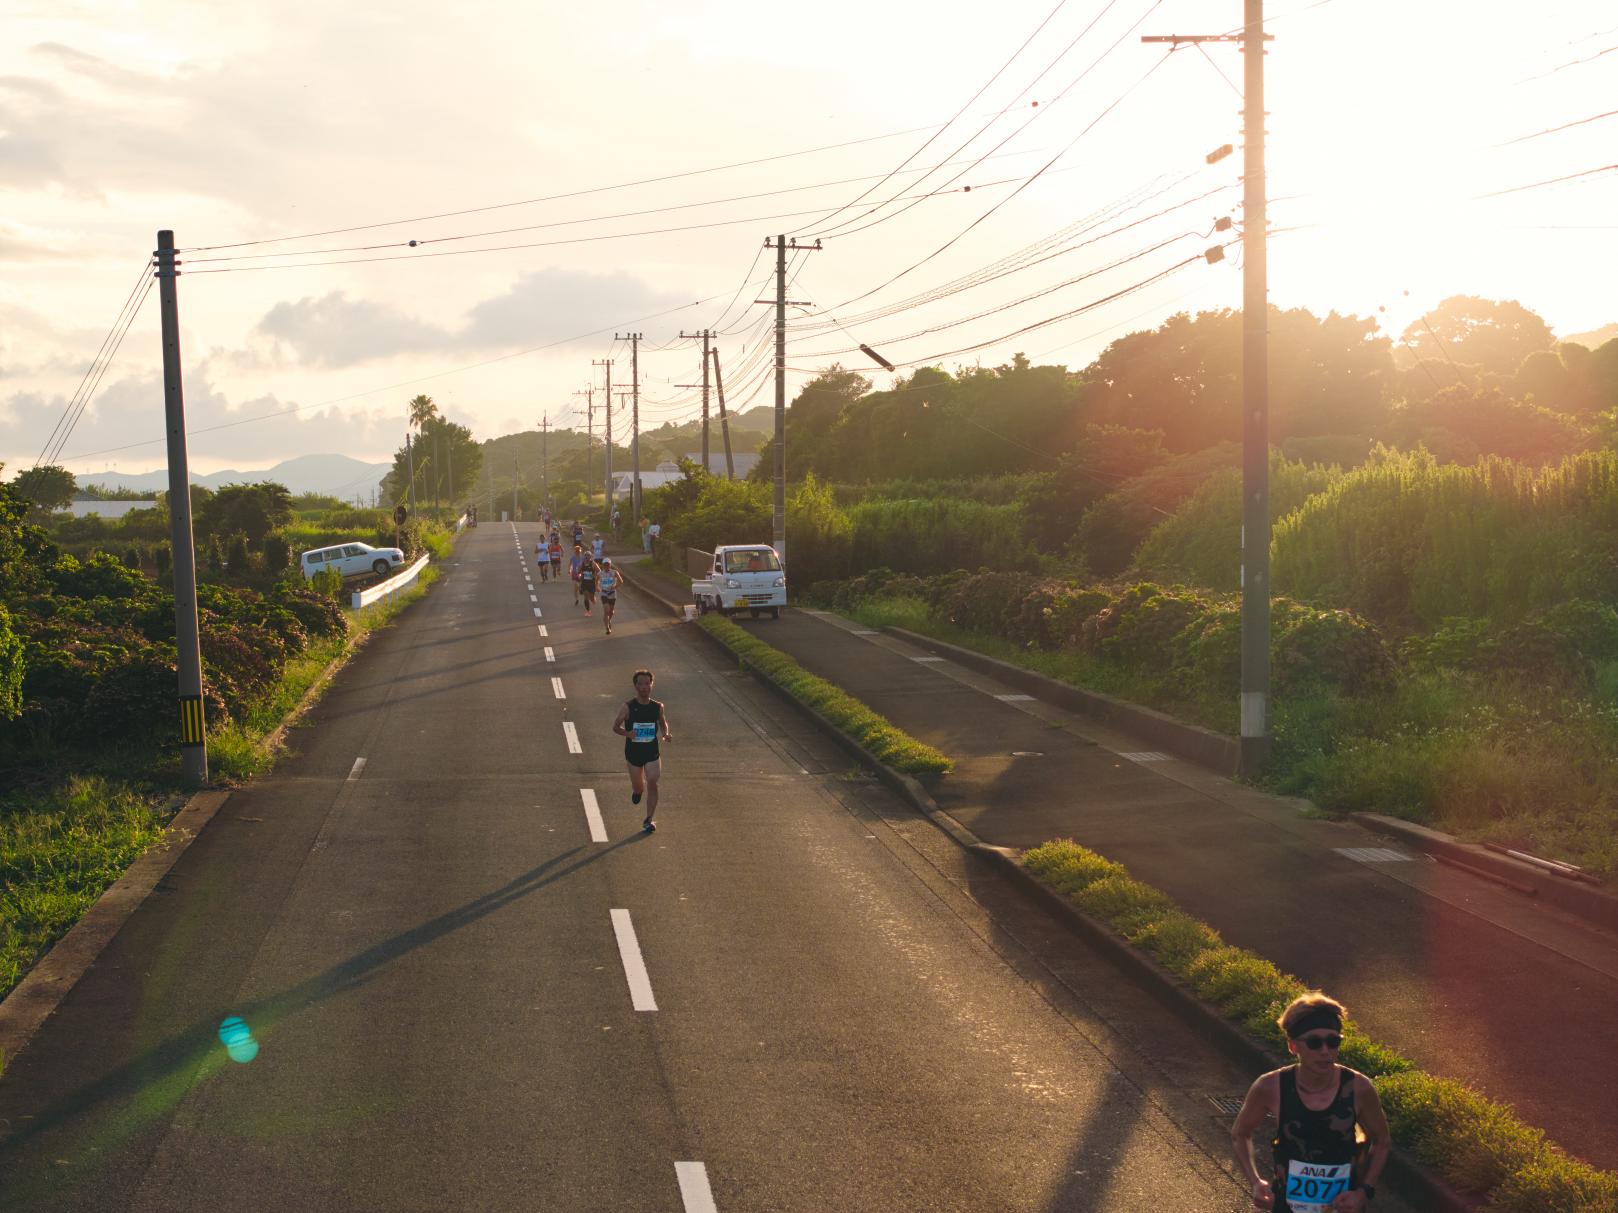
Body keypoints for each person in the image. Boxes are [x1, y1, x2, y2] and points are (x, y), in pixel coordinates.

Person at [1231, 993, 1390, 1213]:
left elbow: (1382, 1140)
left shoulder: (1358, 1088)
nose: (1325, 1051)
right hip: (1287, 1207)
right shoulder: (1271, 1087)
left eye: (1333, 1041)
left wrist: (1364, 1192)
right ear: (1293, 1047)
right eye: (1314, 1043)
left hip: (1343, 1207)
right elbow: (1241, 1134)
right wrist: (1255, 1182)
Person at [613, 669, 671, 832]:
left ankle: (648, 819)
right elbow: (615, 727)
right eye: (641, 684)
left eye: (647, 683)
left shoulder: (658, 706)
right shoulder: (628, 707)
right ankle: (637, 791)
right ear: (635, 686)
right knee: (639, 787)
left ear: (651, 685)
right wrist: (627, 733)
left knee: (652, 781)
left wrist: (665, 733)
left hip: (652, 752)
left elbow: (662, 722)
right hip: (633, 753)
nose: (644, 687)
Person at [598, 557, 619, 634]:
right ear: (603, 565)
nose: (606, 566)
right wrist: (597, 587)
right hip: (604, 593)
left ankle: (609, 620)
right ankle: (607, 628)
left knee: (611, 612)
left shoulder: (614, 572)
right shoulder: (600, 573)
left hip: (612, 593)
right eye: (605, 564)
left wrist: (615, 586)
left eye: (608, 564)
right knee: (606, 611)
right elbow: (596, 580)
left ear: (610, 565)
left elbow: (621, 581)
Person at [578, 551, 599, 615]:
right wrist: (579, 574)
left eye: (588, 556)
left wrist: (594, 575)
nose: (587, 557)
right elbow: (578, 572)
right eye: (586, 556)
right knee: (586, 597)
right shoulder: (582, 564)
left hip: (592, 583)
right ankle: (588, 611)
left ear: (591, 557)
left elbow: (599, 571)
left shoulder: (593, 564)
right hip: (584, 583)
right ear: (584, 557)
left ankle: (593, 599)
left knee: (591, 597)